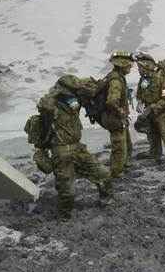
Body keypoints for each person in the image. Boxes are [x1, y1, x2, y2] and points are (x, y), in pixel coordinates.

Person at [31, 76, 112, 220]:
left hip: (78, 148)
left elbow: (91, 89)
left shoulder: (73, 102)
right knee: (67, 191)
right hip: (61, 152)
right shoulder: (50, 105)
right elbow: (44, 106)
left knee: (103, 173)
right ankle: (64, 216)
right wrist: (55, 92)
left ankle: (107, 200)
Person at [134, 51, 165, 162]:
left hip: (161, 112)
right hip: (150, 113)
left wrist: (153, 107)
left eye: (140, 68)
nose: (139, 70)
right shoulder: (143, 80)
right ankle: (155, 153)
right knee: (152, 134)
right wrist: (140, 102)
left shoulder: (161, 79)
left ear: (147, 67)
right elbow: (140, 94)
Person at [103, 50, 134, 178]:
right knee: (119, 147)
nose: (130, 68)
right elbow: (111, 101)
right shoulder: (116, 80)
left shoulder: (118, 77)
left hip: (118, 118)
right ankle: (116, 173)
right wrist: (120, 111)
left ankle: (124, 165)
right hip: (114, 119)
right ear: (122, 65)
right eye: (128, 66)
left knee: (127, 144)